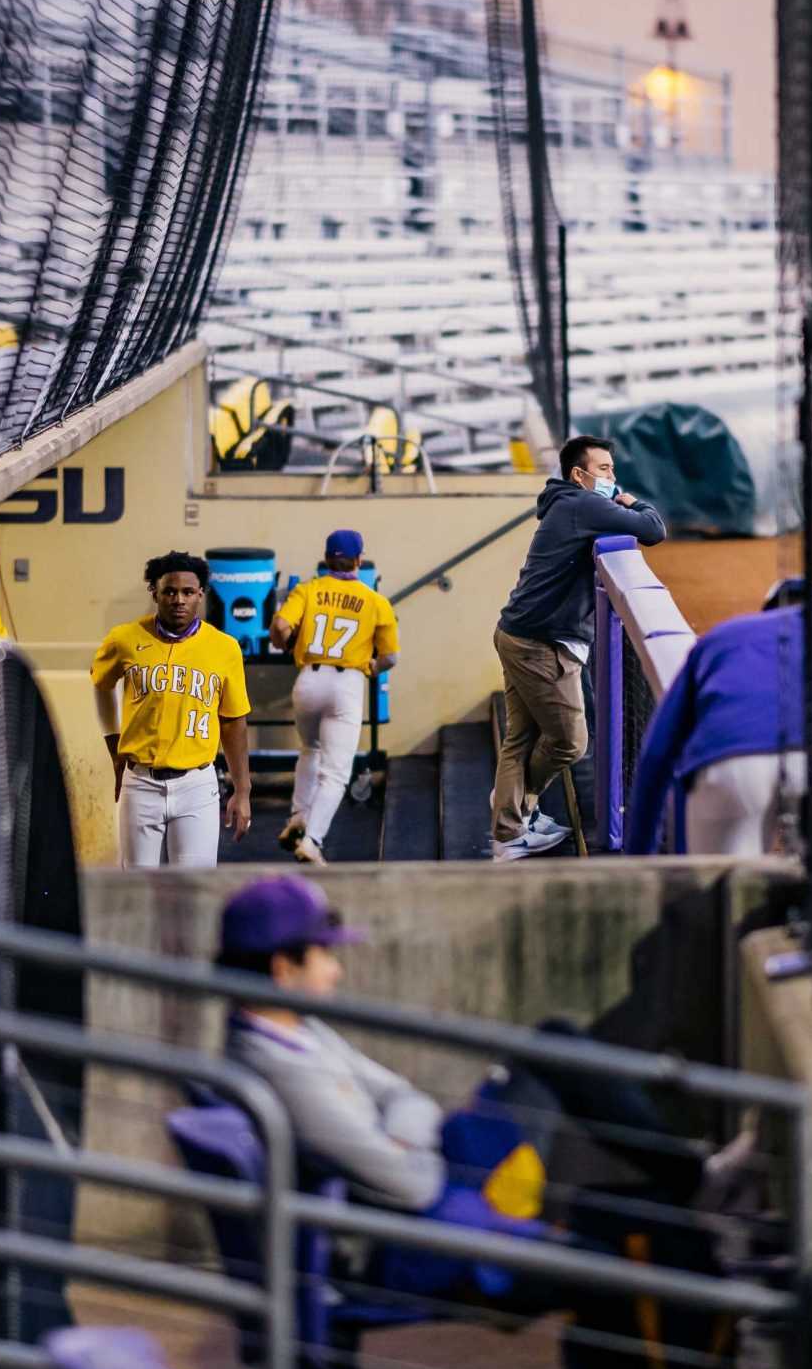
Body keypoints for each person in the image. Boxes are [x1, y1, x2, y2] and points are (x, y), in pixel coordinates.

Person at [216, 875, 759, 1312]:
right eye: (325, 955)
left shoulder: (298, 1029)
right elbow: (410, 1186)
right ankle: (710, 1242)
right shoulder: (275, 1067)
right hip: (434, 1217)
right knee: (605, 1250)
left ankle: (697, 1183)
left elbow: (406, 1097)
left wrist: (399, 1135)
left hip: (447, 1161)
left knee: (554, 1042)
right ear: (284, 969)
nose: (336, 970)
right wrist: (406, 1139)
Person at [624, 578, 812, 925]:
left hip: (731, 767)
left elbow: (657, 754)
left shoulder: (722, 638)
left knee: (722, 913)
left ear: (767, 610)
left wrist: (637, 863)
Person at [491, 435, 667, 861]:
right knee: (571, 742)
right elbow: (653, 530)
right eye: (604, 469)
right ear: (579, 474)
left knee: (521, 738)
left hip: (519, 632)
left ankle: (512, 819)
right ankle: (510, 820)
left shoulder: (565, 503)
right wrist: (633, 502)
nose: (611, 477)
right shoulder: (583, 504)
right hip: (540, 643)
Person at [92, 551, 254, 867]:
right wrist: (114, 745)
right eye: (169, 591)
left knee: (193, 889)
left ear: (200, 595)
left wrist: (242, 790)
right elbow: (101, 684)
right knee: (138, 890)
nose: (178, 599)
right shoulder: (124, 639)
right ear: (154, 592)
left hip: (197, 783)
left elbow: (234, 722)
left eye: (188, 592)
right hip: (140, 783)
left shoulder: (224, 648)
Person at [269, 528, 400, 866]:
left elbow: (280, 627)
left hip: (308, 680)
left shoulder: (308, 589)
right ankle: (312, 840)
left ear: (326, 559)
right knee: (336, 773)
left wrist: (285, 644)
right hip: (347, 684)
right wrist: (372, 666)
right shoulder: (375, 601)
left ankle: (298, 817)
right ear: (358, 560)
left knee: (309, 750)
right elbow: (390, 658)